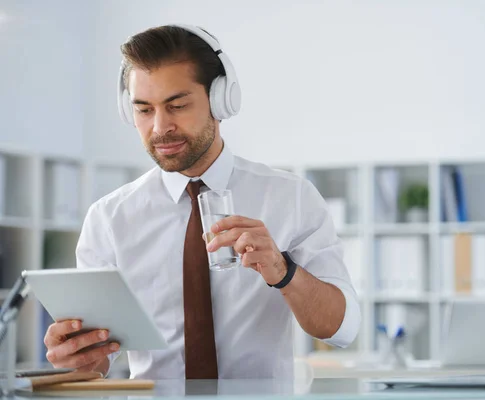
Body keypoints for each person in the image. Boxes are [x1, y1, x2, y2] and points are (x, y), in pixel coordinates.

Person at [42, 24, 360, 380]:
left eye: (177, 105)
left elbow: (341, 329)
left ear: (221, 99)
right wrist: (79, 355)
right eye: (144, 110)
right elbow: (100, 361)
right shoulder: (109, 218)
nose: (160, 127)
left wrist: (283, 271)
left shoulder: (291, 197)